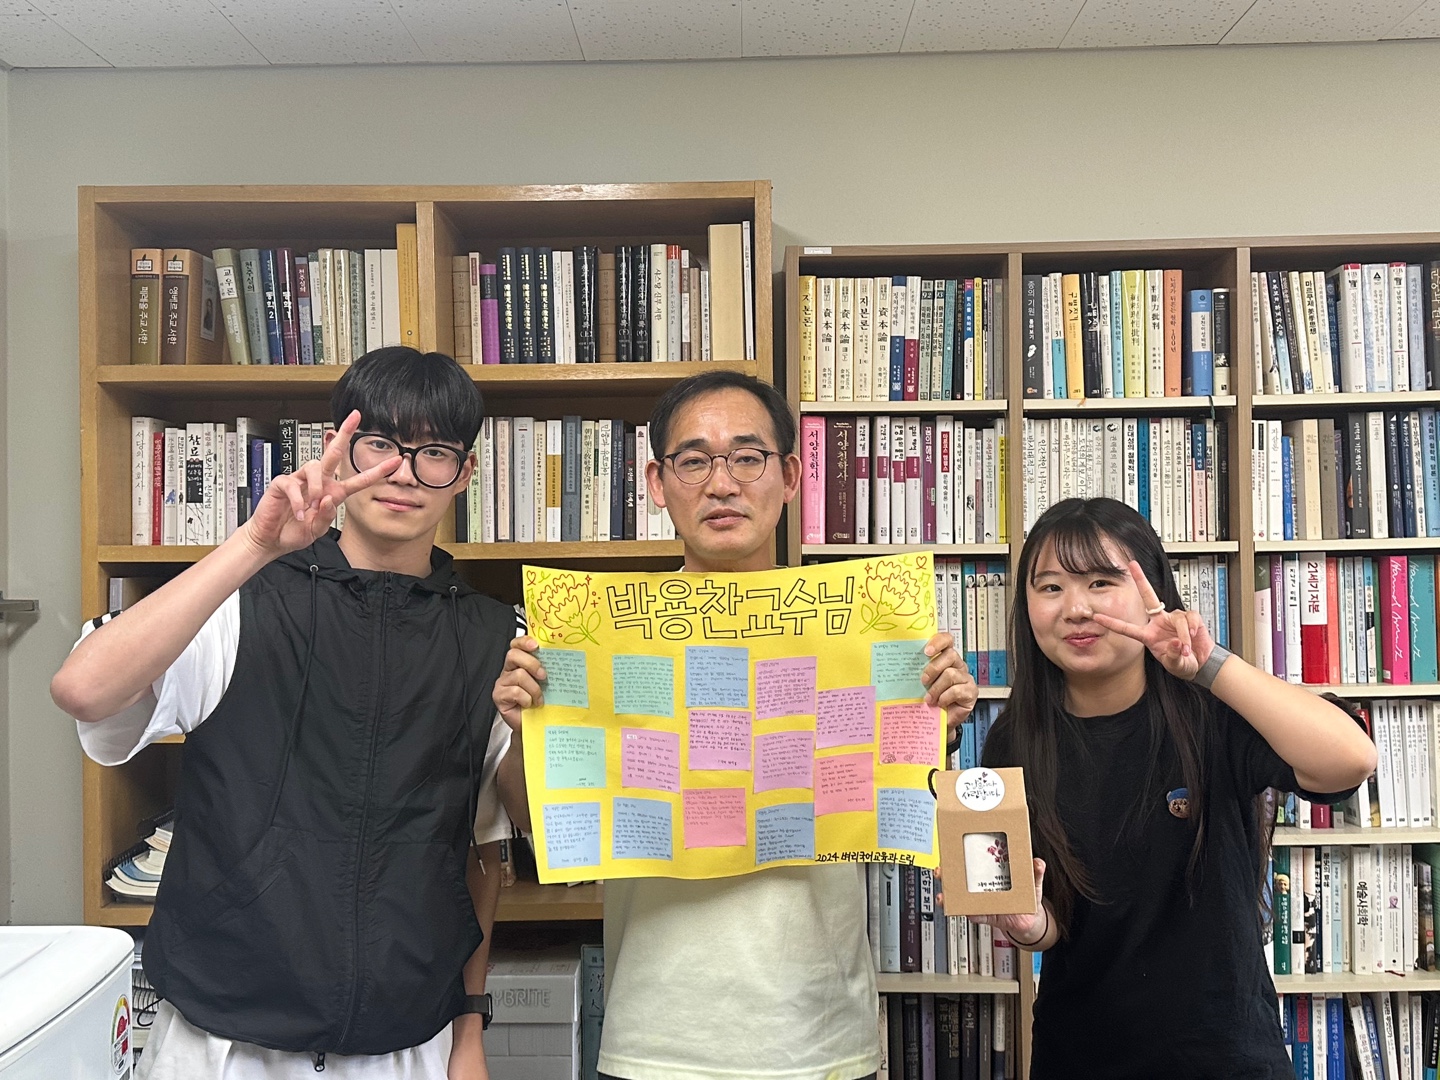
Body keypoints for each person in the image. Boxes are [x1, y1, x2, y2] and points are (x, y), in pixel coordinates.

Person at [52, 347, 525, 1080]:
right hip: (221, 1040)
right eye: (381, 444)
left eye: (434, 452)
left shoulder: (497, 638)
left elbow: (492, 843)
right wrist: (253, 545)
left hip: (406, 1039)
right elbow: (83, 689)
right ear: (337, 448)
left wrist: (469, 1032)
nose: (403, 473)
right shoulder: (240, 604)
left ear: (464, 474)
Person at [493, 369, 979, 1080]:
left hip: (820, 1037)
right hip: (654, 1040)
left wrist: (937, 724)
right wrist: (525, 730)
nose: (722, 484)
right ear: (658, 484)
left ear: (790, 476)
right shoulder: (601, 642)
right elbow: (528, 816)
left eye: (747, 458)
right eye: (694, 461)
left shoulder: (864, 634)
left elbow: (922, 824)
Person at [976, 497, 1376, 1079]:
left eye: (1101, 582)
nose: (1076, 608)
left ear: (1150, 590)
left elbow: (1352, 760)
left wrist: (1209, 666)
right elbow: (1053, 916)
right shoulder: (1015, 739)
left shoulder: (1209, 712)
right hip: (1080, 1053)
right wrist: (1029, 925)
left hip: (1224, 1055)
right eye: (1051, 587)